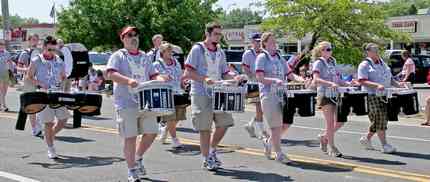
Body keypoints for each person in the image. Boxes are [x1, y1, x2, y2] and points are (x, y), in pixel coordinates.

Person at [106, 26, 169, 182]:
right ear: (123, 38)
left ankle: (138, 157)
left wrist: (161, 79)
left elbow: (153, 74)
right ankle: (132, 170)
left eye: (135, 35)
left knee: (152, 132)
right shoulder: (118, 56)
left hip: (145, 102)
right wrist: (128, 81)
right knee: (131, 137)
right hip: (126, 102)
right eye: (129, 35)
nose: (133, 37)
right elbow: (110, 73)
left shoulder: (144, 56)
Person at [183, 22, 242, 171]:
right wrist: (204, 79)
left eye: (219, 34)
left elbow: (224, 72)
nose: (218, 36)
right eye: (216, 33)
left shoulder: (220, 51)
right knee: (205, 128)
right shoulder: (197, 49)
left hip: (219, 92)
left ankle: (211, 149)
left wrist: (233, 78)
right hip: (201, 93)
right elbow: (188, 72)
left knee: (225, 123)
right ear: (207, 34)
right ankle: (206, 158)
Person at [255, 32, 302, 164]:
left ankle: (269, 142)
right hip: (269, 95)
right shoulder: (262, 57)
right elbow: (260, 78)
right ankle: (279, 154)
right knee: (275, 126)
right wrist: (275, 80)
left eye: (275, 41)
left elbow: (290, 74)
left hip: (283, 95)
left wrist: (301, 80)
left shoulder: (279, 57)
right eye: (271, 42)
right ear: (264, 43)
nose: (274, 44)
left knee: (287, 122)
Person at [358, 43, 406, 154]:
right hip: (372, 95)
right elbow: (362, 80)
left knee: (381, 118)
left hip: (386, 94)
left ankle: (366, 138)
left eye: (378, 49)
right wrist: (376, 85)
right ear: (368, 52)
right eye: (374, 50)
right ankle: (385, 145)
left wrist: (398, 85)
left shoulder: (382, 63)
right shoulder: (364, 65)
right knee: (380, 117)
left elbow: (390, 78)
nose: (377, 52)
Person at [26, 36, 69, 159]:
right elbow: (29, 76)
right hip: (44, 94)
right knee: (48, 123)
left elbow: (63, 76)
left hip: (57, 92)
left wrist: (63, 78)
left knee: (63, 120)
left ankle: (49, 135)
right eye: (50, 49)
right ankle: (51, 148)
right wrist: (40, 83)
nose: (52, 52)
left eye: (54, 50)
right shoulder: (36, 60)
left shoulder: (59, 60)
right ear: (44, 47)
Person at [312, 41, 348, 157]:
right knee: (330, 122)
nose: (330, 51)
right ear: (321, 51)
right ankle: (332, 146)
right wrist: (329, 83)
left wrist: (348, 83)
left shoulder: (333, 62)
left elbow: (338, 78)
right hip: (324, 94)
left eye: (330, 49)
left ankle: (324, 137)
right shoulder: (318, 63)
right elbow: (316, 79)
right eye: (327, 49)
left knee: (341, 121)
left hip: (335, 94)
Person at [154, 42, 187, 148]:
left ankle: (165, 129)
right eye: (168, 51)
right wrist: (162, 77)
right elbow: (155, 77)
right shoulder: (157, 64)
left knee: (178, 116)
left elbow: (180, 74)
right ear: (162, 52)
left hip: (178, 91)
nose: (170, 53)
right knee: (170, 117)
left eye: (171, 51)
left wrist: (183, 83)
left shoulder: (175, 62)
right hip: (166, 93)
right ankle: (174, 139)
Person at [241, 33, 268, 139]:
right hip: (254, 84)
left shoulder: (264, 53)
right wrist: (253, 77)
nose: (258, 43)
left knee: (263, 108)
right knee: (259, 107)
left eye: (259, 41)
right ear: (252, 42)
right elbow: (245, 68)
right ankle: (263, 132)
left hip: (264, 83)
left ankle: (250, 124)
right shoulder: (248, 54)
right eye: (256, 41)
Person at [18, 34, 43, 137]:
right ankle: (34, 129)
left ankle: (38, 122)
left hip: (40, 80)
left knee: (42, 104)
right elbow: (18, 68)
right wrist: (27, 70)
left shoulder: (40, 52)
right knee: (31, 105)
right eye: (33, 39)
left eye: (37, 40)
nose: (35, 41)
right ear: (29, 41)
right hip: (29, 80)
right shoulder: (25, 53)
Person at [0, 39, 12, 111]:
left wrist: (12, 73)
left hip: (6, 73)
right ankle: (3, 105)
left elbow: (10, 63)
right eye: (0, 44)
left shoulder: (7, 53)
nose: (2, 45)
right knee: (1, 89)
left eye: (3, 44)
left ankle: (1, 103)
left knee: (5, 90)